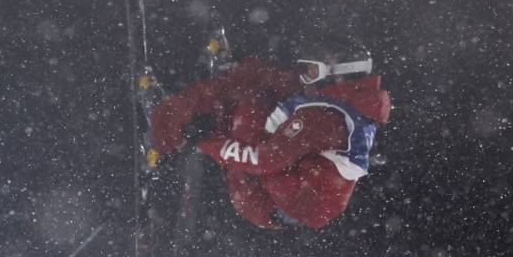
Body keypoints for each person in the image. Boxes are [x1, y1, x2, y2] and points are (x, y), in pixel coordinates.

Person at [149, 35, 392, 230]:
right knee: (262, 88)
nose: (306, 77)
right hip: (289, 188)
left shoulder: (322, 118)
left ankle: (182, 140)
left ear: (340, 74)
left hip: (265, 201)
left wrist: (203, 140)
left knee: (249, 106)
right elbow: (271, 79)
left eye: (313, 71)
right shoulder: (343, 98)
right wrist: (191, 101)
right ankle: (206, 108)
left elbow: (263, 158)